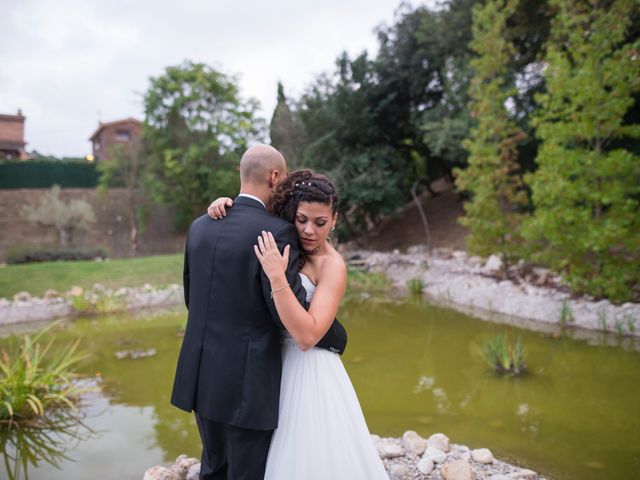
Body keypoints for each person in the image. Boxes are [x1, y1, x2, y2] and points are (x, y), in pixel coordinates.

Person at [170, 145, 347, 480]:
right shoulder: (277, 232)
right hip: (247, 384)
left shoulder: (200, 226)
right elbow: (288, 314)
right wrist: (338, 338)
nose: (308, 229)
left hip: (203, 376)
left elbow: (193, 299)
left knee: (213, 468)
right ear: (275, 177)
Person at [208, 169, 389, 479]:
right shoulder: (283, 238)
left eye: (320, 223)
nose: (308, 230)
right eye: (302, 219)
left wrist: (277, 277)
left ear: (334, 220)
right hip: (271, 365)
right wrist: (226, 205)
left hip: (309, 371)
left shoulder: (331, 266)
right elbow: (252, 215)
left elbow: (307, 335)